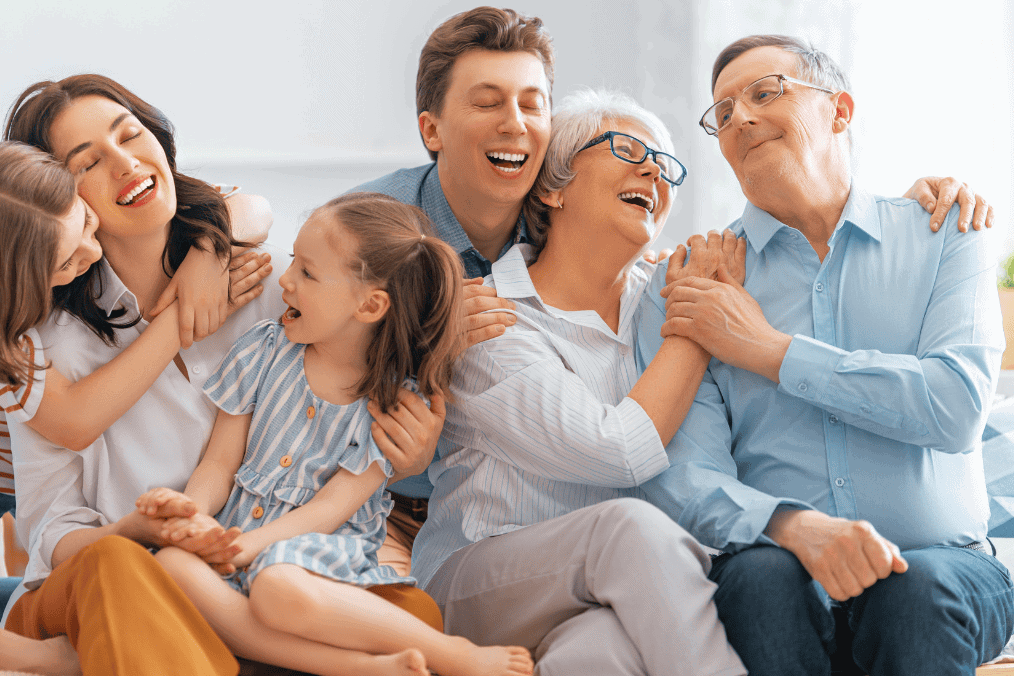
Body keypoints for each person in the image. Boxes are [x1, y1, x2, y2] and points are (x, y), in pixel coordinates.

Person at [354, 7, 997, 579]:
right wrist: (416, 361)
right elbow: (305, 367)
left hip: (597, 560)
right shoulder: (375, 234)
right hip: (388, 501)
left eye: (532, 105)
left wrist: (916, 205)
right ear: (432, 129)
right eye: (487, 102)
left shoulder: (652, 278)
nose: (516, 126)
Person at [1, 75, 439, 675]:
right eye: (87, 164)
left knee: (412, 612)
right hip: (109, 579)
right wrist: (139, 532)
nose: (127, 164)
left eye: (130, 135)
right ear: (57, 202)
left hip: (249, 575)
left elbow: (374, 380)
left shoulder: (275, 283)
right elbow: (54, 531)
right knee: (123, 568)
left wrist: (408, 450)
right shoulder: (44, 348)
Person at [638, 35, 1014, 676]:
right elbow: (680, 471)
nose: (741, 118)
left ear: (839, 111)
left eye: (765, 92)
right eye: (723, 113)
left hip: (946, 565)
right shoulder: (691, 283)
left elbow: (955, 407)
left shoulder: (946, 234)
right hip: (775, 564)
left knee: (916, 594)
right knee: (759, 585)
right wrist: (792, 526)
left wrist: (769, 350)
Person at [413, 88, 747, 676]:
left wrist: (920, 209)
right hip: (478, 577)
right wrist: (696, 322)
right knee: (630, 529)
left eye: (666, 165)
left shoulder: (663, 295)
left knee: (598, 656)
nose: (653, 171)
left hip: (606, 587)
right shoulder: (489, 318)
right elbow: (618, 451)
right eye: (626, 148)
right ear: (552, 186)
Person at [141, 192, 533, 676]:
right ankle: (365, 668)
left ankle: (453, 653)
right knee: (169, 566)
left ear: (370, 305)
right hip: (235, 540)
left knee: (275, 587)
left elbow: (330, 509)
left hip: (314, 554)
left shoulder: (392, 405)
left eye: (306, 273)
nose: (284, 281)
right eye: (293, 265)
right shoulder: (262, 351)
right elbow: (219, 464)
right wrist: (194, 516)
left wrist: (251, 546)